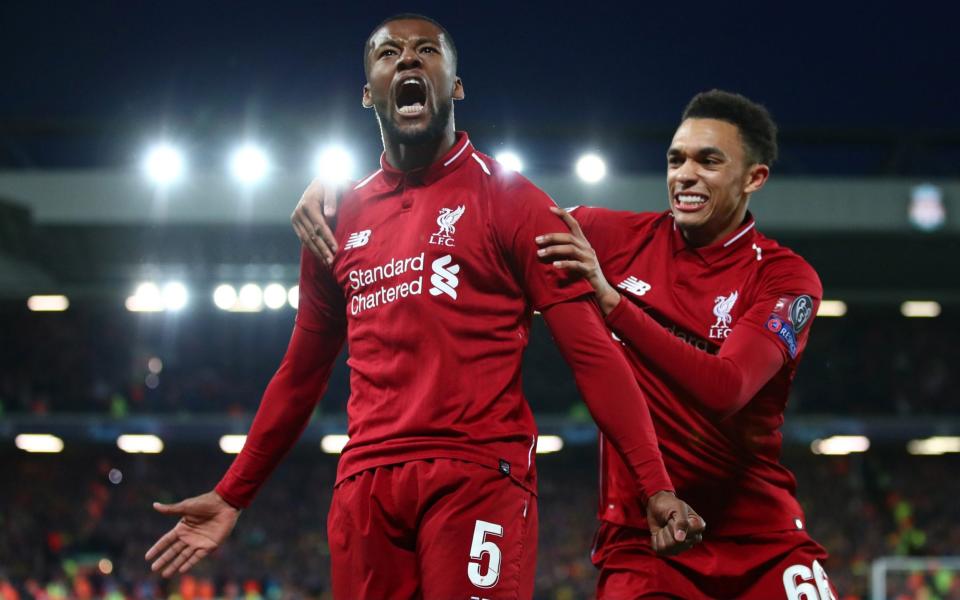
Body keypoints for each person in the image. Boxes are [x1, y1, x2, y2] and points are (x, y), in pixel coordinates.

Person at [145, 14, 703, 600]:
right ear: (368, 93)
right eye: (389, 55)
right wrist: (235, 491)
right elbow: (301, 372)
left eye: (426, 51)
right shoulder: (334, 220)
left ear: (455, 85)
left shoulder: (513, 202)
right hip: (364, 486)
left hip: (477, 476)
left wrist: (655, 485)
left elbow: (592, 354)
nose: (408, 60)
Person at [293, 90, 838, 599]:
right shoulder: (611, 236)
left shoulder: (786, 280)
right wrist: (356, 195)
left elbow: (727, 387)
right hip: (644, 541)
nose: (685, 175)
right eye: (676, 160)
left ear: (754, 177)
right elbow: (480, 212)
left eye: (708, 161)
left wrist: (613, 304)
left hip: (762, 540)